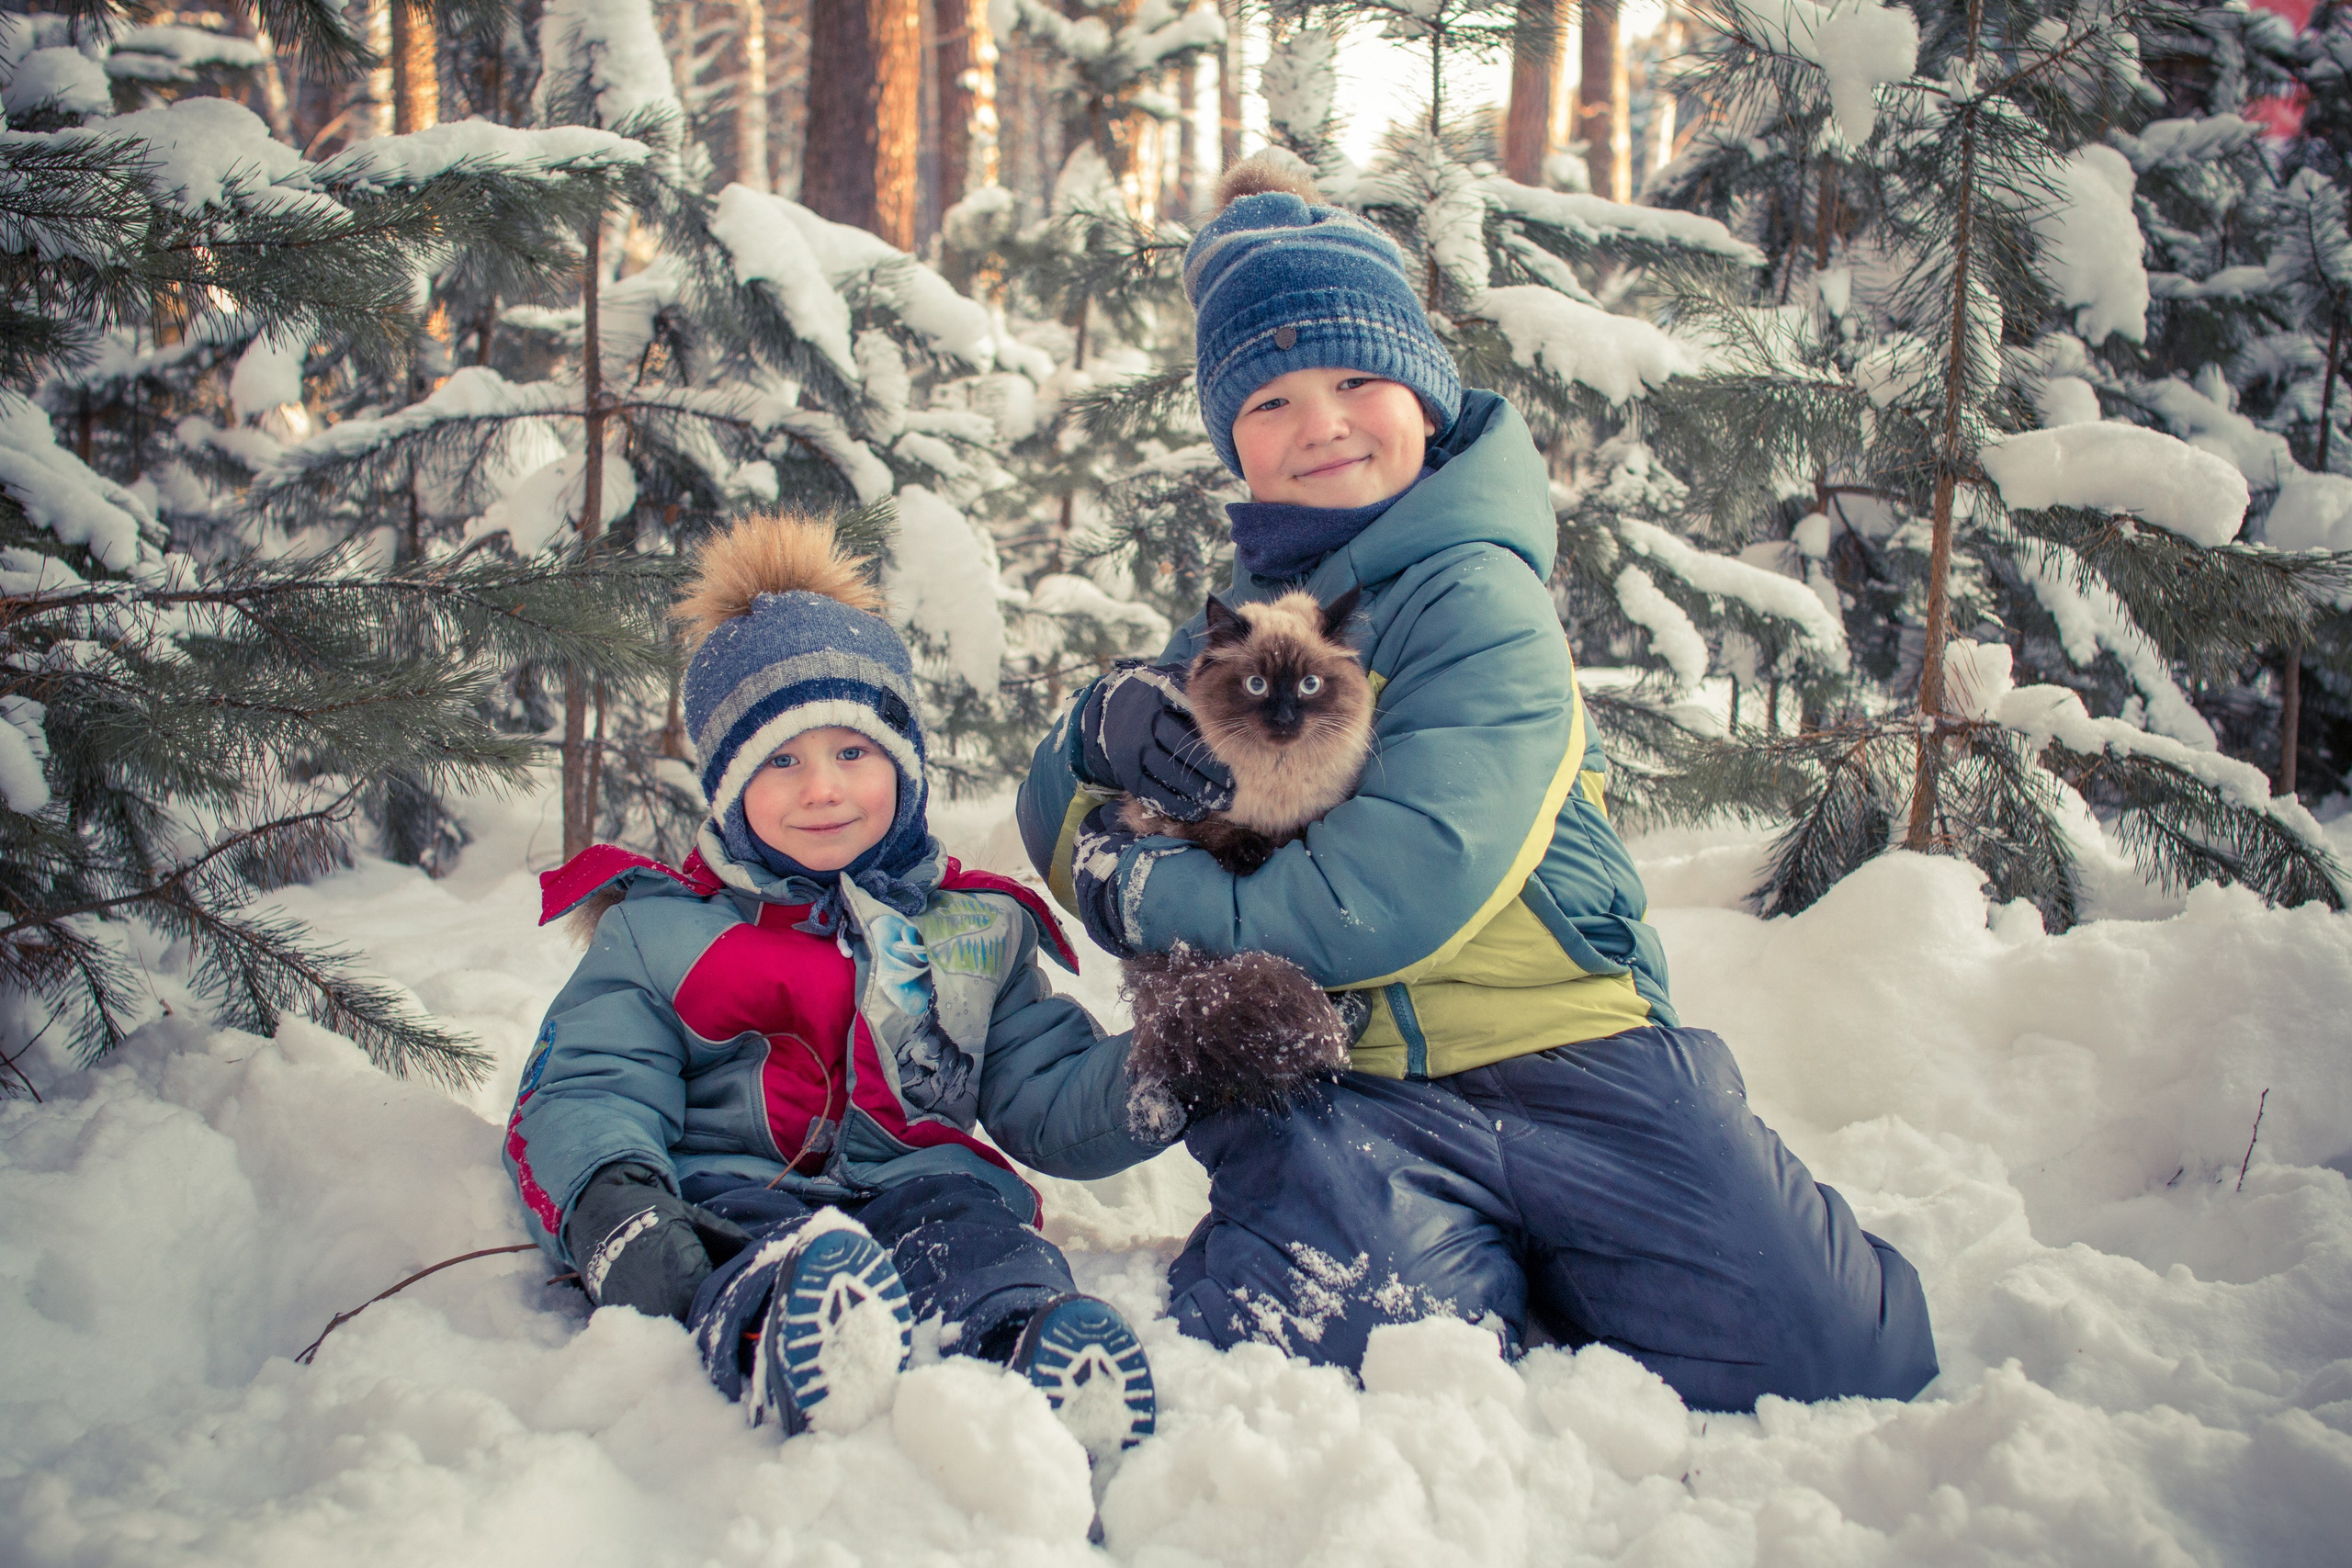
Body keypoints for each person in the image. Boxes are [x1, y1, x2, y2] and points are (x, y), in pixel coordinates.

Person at [1017, 154, 1939, 1413]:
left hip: (1572, 1052)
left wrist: (1141, 886)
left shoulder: (1478, 594)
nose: (1322, 421)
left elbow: (1397, 891)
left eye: (1354, 379)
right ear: (1233, 437)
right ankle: (1483, 1264)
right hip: (1347, 1088)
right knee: (1323, 1361)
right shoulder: (1238, 633)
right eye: (1273, 399)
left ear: (1424, 388)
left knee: (1838, 1361)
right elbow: (1066, 815)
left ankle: (1561, 1252)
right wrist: (1089, 735)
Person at [507, 513, 1162, 1451]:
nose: (823, 789)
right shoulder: (661, 934)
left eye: (852, 753)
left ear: (904, 766)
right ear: (728, 789)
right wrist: (618, 1199)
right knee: (752, 1255)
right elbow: (591, 1081)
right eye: (781, 761)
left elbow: (1041, 1092)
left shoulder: (973, 930)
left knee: (982, 1242)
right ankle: (784, 1339)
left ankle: (1031, 1356)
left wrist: (1166, 1070)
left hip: (921, 1186)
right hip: (736, 1188)